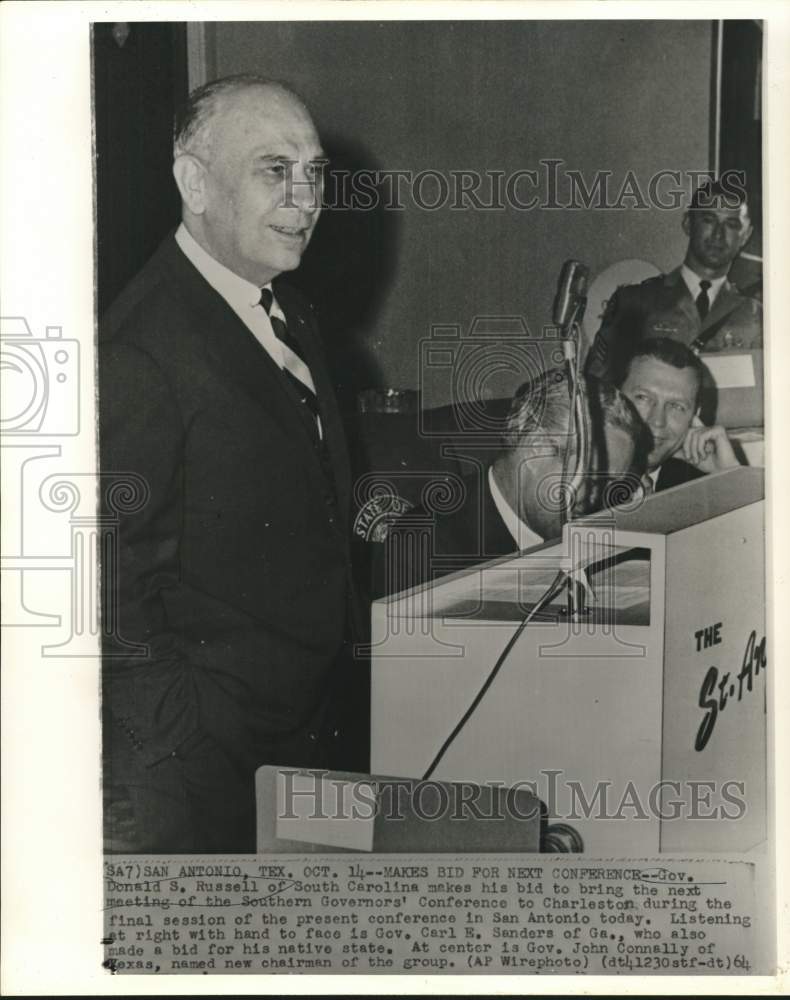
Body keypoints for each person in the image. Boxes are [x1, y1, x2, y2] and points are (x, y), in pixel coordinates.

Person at [100, 75, 365, 853]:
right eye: (274, 169)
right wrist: (188, 741)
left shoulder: (286, 306)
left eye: (315, 172)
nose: (306, 197)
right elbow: (106, 585)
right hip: (210, 767)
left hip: (309, 727)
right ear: (194, 182)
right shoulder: (139, 350)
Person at [379, 371, 651, 594]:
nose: (595, 500)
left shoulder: (594, 531)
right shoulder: (425, 546)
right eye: (590, 479)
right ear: (535, 448)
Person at [586, 178, 762, 381]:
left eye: (731, 224)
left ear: (746, 235)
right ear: (688, 223)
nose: (718, 235)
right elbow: (598, 387)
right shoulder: (634, 302)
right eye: (708, 219)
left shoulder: (755, 315)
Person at [614, 337, 741, 491]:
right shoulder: (580, 479)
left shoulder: (694, 483)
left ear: (694, 416)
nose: (657, 421)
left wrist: (729, 475)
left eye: (676, 406)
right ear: (614, 398)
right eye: (643, 398)